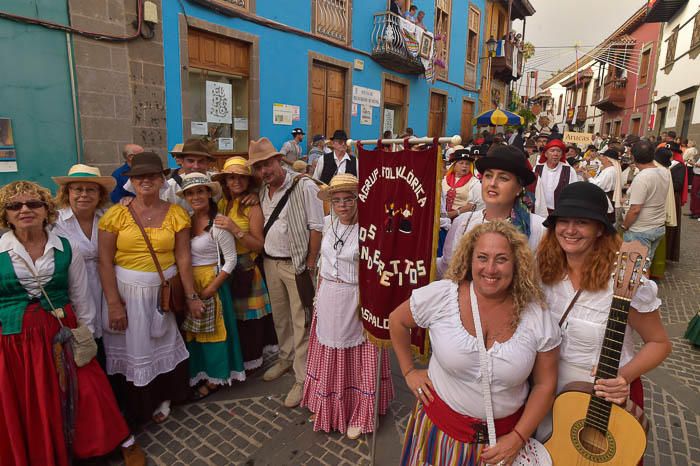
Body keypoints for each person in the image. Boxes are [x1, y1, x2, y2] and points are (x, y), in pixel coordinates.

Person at [390, 221, 560, 466]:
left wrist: (518, 437)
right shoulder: (442, 296)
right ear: (470, 260)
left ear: (517, 264)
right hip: (438, 434)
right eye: (482, 257)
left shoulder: (537, 315)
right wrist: (408, 371)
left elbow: (545, 384)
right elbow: (397, 321)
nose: (490, 269)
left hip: (503, 446)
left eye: (501, 259)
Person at [0, 181, 145, 466]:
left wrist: (87, 335)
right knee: (28, 398)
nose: (25, 210)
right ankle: (40, 452)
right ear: (6, 215)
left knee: (90, 388)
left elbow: (81, 295)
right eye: (15, 206)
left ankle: (121, 440)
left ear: (46, 210)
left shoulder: (65, 248)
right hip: (14, 337)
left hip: (60, 329)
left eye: (33, 204)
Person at [535, 182, 671, 440]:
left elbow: (659, 343)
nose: (570, 230)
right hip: (545, 394)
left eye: (582, 222)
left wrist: (623, 377)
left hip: (600, 401)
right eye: (563, 221)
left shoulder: (623, 282)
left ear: (599, 230)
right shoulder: (543, 272)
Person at [98, 151, 200, 427]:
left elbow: (183, 258)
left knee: (162, 345)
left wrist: (190, 296)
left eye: (153, 175)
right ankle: (136, 406)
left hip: (162, 294)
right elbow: (105, 261)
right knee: (132, 350)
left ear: (162, 179)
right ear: (131, 181)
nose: (146, 180)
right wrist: (114, 303)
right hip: (126, 293)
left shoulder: (177, 214)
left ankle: (164, 397)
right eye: (140, 176)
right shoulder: (116, 214)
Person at [301, 174, 394, 439]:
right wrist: (318, 295)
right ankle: (327, 402)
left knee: (359, 356)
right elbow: (323, 263)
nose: (342, 205)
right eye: (337, 200)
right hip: (330, 295)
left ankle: (363, 412)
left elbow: (378, 269)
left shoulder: (370, 229)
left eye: (348, 199)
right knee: (329, 351)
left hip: (357, 299)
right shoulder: (329, 225)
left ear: (358, 200)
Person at [249, 137, 324, 408]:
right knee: (280, 317)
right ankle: (285, 357)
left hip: (297, 264)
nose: (264, 171)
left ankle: (302, 378)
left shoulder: (303, 185)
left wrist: (311, 261)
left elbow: (317, 226)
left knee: (301, 320)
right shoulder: (261, 190)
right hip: (270, 262)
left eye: (267, 164)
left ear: (279, 160)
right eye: (258, 167)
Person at [177, 172, 246, 397]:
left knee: (215, 333)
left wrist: (212, 288)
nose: (195, 196)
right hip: (191, 283)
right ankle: (200, 371)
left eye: (199, 191)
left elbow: (231, 259)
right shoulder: (186, 220)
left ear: (208, 193)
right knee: (195, 333)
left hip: (212, 283)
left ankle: (216, 376)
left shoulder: (218, 223)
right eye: (190, 193)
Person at [438, 145, 545, 277]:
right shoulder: (463, 222)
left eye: (503, 178)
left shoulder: (538, 228)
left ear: (519, 188)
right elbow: (446, 268)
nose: (492, 183)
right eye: (488, 176)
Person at [213, 156, 278, 371]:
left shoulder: (253, 206)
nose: (236, 182)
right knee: (234, 319)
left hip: (247, 267)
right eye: (232, 177)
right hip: (227, 268)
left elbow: (259, 245)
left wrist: (234, 228)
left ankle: (251, 364)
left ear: (249, 181)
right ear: (225, 181)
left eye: (241, 177)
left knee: (249, 321)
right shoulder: (223, 202)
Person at [52, 164, 116, 367]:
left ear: (100, 194)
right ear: (67, 193)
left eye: (91, 189)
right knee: (81, 339)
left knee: (110, 340)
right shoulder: (55, 222)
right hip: (74, 288)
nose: (84, 195)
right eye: (77, 189)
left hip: (107, 286)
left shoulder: (108, 218)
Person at [621, 140, 671, 260]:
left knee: (634, 271)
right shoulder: (664, 171)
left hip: (641, 229)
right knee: (643, 267)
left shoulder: (642, 177)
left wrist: (624, 226)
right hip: (656, 225)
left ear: (633, 157)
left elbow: (635, 209)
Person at [533, 138, 578, 216]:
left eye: (559, 151)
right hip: (538, 211)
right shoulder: (537, 168)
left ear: (562, 155)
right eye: (552, 151)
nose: (555, 154)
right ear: (546, 154)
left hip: (560, 212)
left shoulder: (569, 170)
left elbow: (574, 192)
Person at [442, 148, 483, 220]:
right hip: (441, 218)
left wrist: (456, 212)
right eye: (461, 163)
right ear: (454, 165)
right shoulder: (443, 179)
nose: (464, 166)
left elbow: (473, 205)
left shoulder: (474, 183)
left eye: (467, 164)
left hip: (461, 219)